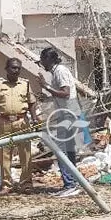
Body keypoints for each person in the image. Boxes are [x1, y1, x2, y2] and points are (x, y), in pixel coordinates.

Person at [0, 58, 40, 192]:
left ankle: (26, 184)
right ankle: (6, 185)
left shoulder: (25, 84)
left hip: (22, 122)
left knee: (25, 154)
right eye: (13, 68)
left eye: (18, 68)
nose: (16, 70)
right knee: (4, 154)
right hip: (4, 122)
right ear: (6, 69)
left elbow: (32, 102)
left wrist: (34, 119)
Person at [39, 47, 81, 195]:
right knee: (69, 150)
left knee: (60, 150)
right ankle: (74, 181)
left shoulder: (60, 71)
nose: (42, 63)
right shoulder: (57, 71)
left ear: (49, 59)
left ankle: (70, 184)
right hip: (68, 113)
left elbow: (65, 93)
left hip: (68, 115)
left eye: (43, 60)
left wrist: (46, 87)